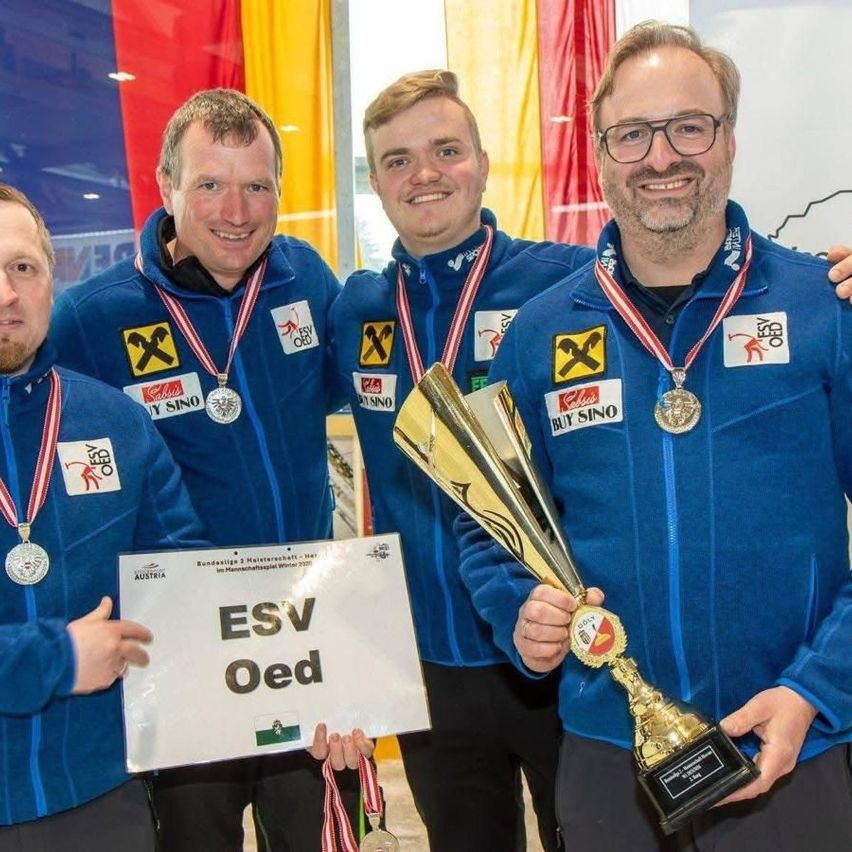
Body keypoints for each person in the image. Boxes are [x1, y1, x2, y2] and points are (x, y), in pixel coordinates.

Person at [457, 21, 852, 851]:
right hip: (608, 757)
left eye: (689, 126)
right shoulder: (536, 337)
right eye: (631, 134)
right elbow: (482, 520)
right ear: (600, 155)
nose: (661, 156)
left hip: (790, 737)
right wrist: (516, 609)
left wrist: (822, 687)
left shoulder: (826, 311)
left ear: (730, 140)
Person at [49, 89, 365, 852]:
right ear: (166, 189)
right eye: (210, 185)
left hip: (302, 637)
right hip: (182, 652)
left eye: (257, 185)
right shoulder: (94, 318)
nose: (237, 209)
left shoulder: (305, 280)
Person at [0, 184, 206, 850]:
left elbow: (184, 586)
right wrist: (56, 658)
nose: (6, 294)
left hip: (96, 797)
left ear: (50, 280)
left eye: (22, 268)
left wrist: (311, 694)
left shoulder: (116, 423)